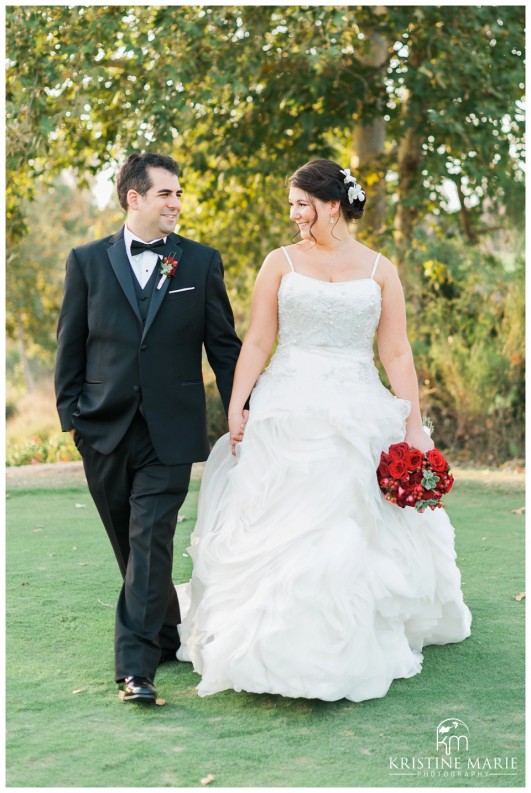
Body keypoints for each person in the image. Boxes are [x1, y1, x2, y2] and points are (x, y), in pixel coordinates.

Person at [176, 158, 472, 703]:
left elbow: (396, 351)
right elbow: (258, 340)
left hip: (359, 404)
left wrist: (413, 423)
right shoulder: (280, 262)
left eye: (302, 204)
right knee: (284, 520)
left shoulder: (380, 268)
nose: (294, 214)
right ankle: (275, 637)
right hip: (288, 404)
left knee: (350, 520)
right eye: (292, 204)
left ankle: (348, 636)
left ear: (333, 205)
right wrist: (237, 405)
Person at [55, 152, 242, 705]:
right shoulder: (86, 261)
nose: (176, 203)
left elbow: (223, 347)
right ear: (133, 198)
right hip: (102, 428)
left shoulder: (200, 263)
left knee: (151, 540)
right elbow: (70, 344)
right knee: (130, 547)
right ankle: (165, 630)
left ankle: (135, 670)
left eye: (179, 194)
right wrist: (72, 421)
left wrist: (242, 411)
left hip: (171, 431)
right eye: (166, 193)